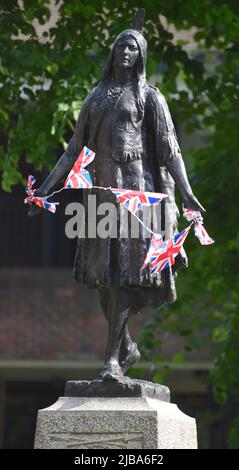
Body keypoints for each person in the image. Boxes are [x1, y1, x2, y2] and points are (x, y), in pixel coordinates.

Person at [29, 12, 205, 381]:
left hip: (136, 193)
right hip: (99, 192)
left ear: (141, 56)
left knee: (123, 275)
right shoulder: (95, 96)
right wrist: (46, 189)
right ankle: (124, 345)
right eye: (120, 45)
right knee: (99, 274)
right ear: (112, 52)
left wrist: (186, 193)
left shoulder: (149, 97)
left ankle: (112, 361)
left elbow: (171, 150)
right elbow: (73, 149)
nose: (125, 51)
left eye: (133, 47)